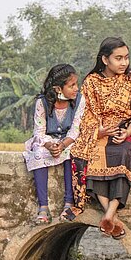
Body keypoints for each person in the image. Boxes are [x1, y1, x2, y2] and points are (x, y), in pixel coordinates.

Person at [66, 37, 131, 238]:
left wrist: (128, 131)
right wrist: (100, 131)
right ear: (105, 60)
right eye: (118, 58)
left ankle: (109, 214)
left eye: (126, 58)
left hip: (127, 130)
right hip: (100, 130)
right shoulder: (92, 82)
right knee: (88, 153)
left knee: (121, 153)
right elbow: (86, 114)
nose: (124, 63)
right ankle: (111, 217)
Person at [23, 64, 85, 224]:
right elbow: (39, 131)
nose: (76, 89)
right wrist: (49, 145)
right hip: (48, 141)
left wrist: (62, 145)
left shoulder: (79, 101)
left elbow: (76, 129)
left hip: (69, 141)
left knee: (74, 152)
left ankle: (68, 203)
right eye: (71, 86)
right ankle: (43, 207)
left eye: (76, 84)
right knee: (37, 153)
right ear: (58, 88)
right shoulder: (42, 103)